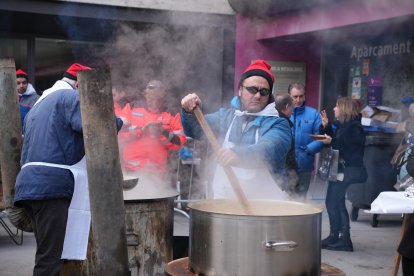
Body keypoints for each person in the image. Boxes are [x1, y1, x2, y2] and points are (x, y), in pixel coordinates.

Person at [14, 63, 123, 275]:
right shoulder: (71, 98)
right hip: (50, 186)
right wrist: (120, 121)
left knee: (48, 252)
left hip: (31, 184)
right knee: (49, 260)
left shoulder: (39, 103)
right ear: (78, 84)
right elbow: (102, 124)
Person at [180, 59, 291, 200]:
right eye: (252, 89)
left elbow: (270, 148)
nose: (257, 95)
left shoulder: (279, 123)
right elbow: (196, 129)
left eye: (264, 91)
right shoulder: (226, 117)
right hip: (224, 201)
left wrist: (240, 155)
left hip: (264, 206)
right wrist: (190, 112)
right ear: (240, 90)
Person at [319, 97, 367, 252]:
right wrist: (326, 127)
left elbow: (348, 150)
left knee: (334, 202)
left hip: (347, 171)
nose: (334, 109)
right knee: (334, 202)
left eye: (337, 106)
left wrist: (331, 141)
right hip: (340, 170)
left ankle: (345, 240)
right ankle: (335, 236)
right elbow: (335, 140)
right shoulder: (343, 125)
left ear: (344, 109)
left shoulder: (354, 127)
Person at [121, 80, 186, 178]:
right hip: (131, 169)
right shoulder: (131, 107)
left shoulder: (171, 113)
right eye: (151, 98)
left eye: (158, 98)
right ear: (145, 94)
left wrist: (162, 133)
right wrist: (141, 131)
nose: (154, 102)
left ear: (163, 97)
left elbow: (180, 141)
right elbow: (118, 133)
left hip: (157, 174)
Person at [288, 83, 323, 198]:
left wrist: (308, 150)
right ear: (289, 96)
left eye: (301, 96)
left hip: (305, 164)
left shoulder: (313, 114)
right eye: (295, 97)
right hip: (286, 164)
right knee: (286, 199)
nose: (298, 100)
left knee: (301, 199)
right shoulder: (283, 113)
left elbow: (321, 137)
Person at [275, 93, 299, 195]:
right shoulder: (282, 124)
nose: (292, 110)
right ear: (287, 107)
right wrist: (292, 171)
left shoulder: (272, 120)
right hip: (284, 172)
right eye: (292, 107)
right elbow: (285, 151)